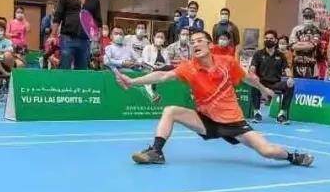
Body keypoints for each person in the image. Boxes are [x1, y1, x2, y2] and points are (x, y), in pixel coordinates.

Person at [114, 31, 313, 166]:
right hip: (207, 120)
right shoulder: (189, 67)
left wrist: (263, 89)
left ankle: (293, 156)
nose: (195, 44)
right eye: (192, 42)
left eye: (199, 40)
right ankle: (156, 152)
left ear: (210, 45)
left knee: (267, 151)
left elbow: (248, 78)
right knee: (170, 111)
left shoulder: (227, 62)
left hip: (233, 122)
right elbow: (162, 76)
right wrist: (132, 81)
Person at [54, 0, 104, 69]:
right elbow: (58, 16)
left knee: (82, 70)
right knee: (64, 68)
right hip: (67, 38)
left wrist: (98, 40)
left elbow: (98, 20)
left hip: (85, 40)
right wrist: (53, 35)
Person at [248, 30, 296, 124]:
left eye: (271, 39)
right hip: (261, 83)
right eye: (266, 38)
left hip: (275, 83)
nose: (268, 40)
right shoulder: (258, 54)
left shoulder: (280, 55)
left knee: (290, 85)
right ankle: (257, 113)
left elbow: (287, 69)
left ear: (275, 41)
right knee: (253, 83)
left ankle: (281, 114)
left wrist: (290, 78)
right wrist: (252, 74)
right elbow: (252, 67)